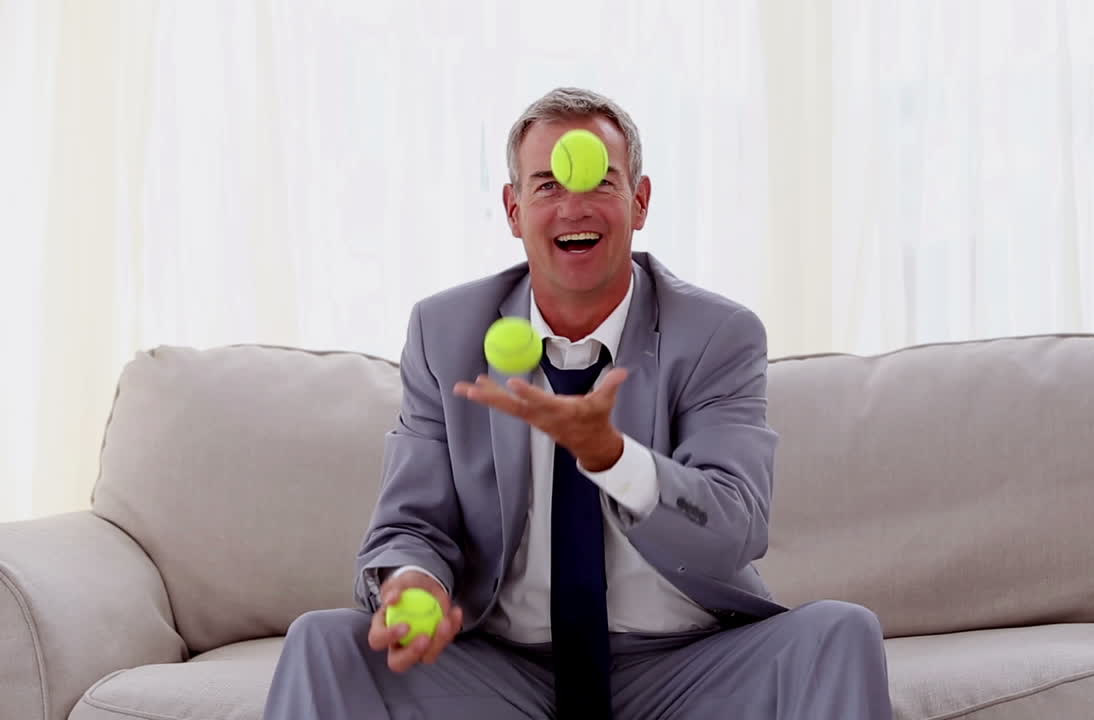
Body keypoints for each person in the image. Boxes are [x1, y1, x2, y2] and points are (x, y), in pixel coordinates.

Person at [263, 87, 891, 719]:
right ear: (513, 210)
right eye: (547, 186)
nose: (574, 207)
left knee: (840, 632)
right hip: (503, 669)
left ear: (639, 201)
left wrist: (613, 457)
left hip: (687, 664)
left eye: (600, 181)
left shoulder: (716, 335)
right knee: (323, 643)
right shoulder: (444, 333)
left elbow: (733, 529)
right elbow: (410, 525)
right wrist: (412, 587)